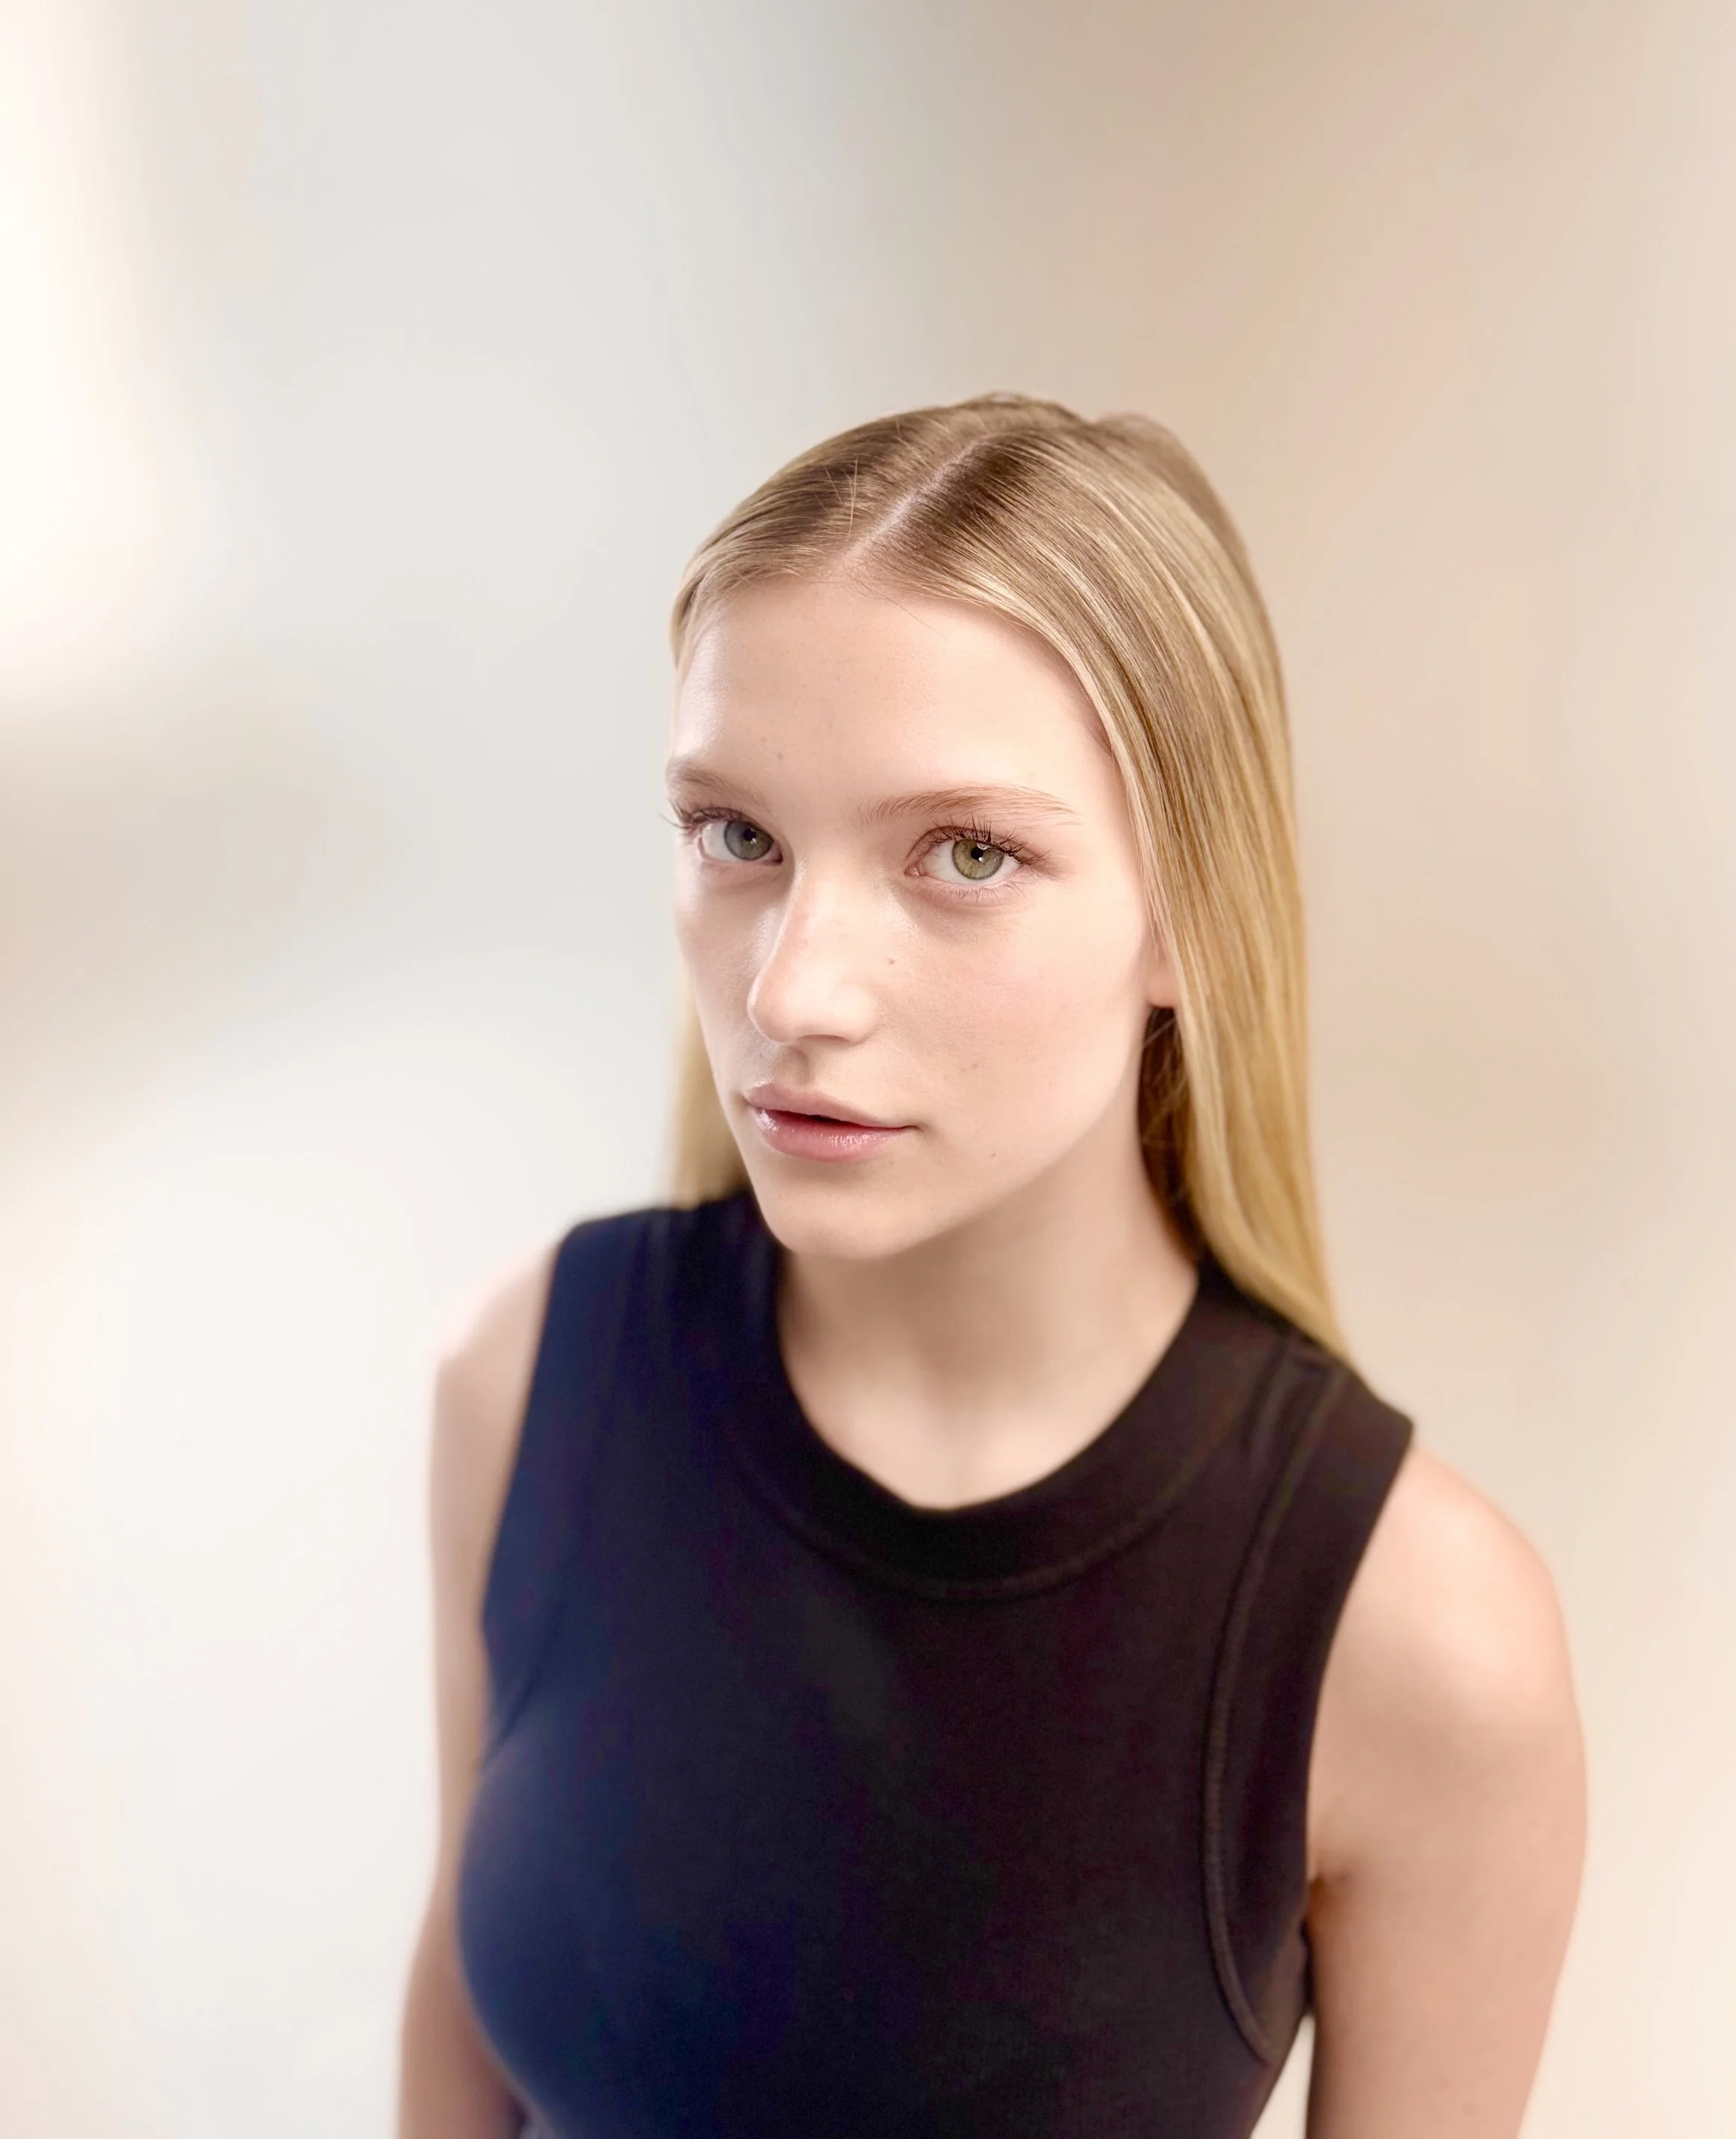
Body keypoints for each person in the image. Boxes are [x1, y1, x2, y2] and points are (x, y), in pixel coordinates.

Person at [395, 395, 1587, 2139]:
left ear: (1189, 910)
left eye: (965, 855)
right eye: (736, 835)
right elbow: (464, 2043)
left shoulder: (1413, 1637)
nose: (794, 992)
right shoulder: (523, 1386)